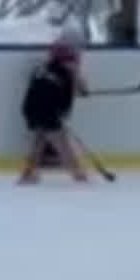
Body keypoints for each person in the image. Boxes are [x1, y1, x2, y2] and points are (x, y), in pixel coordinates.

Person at [18, 34, 100, 185]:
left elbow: (46, 87)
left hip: (30, 107)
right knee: (62, 144)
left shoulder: (43, 67)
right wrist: (82, 90)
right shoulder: (70, 68)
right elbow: (78, 88)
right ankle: (79, 176)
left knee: (40, 139)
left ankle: (28, 174)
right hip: (46, 109)